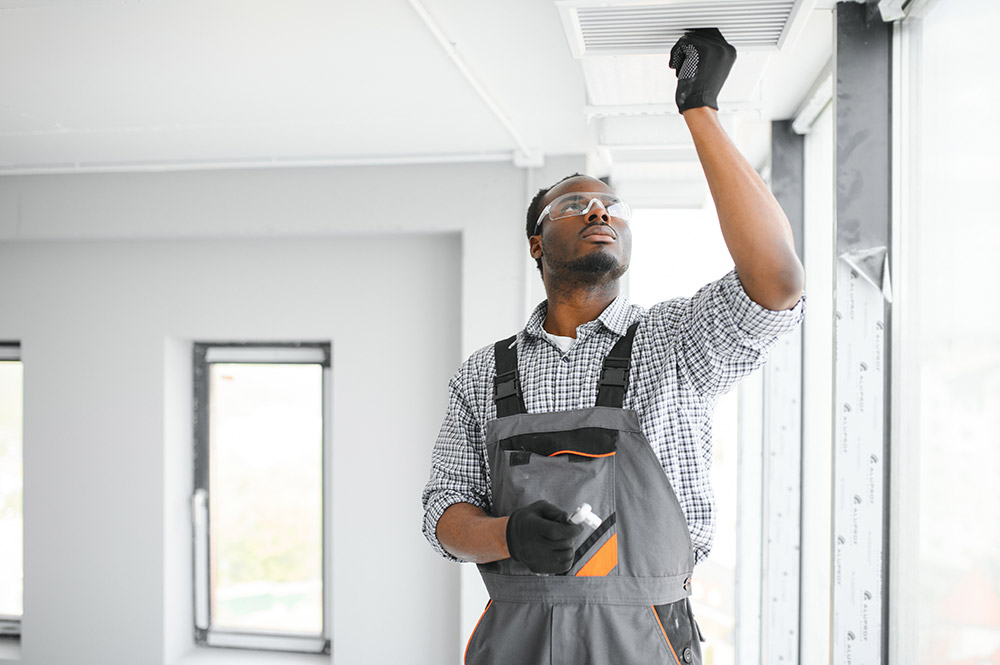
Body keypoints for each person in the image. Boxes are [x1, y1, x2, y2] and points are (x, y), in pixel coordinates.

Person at [421, 28, 804, 665]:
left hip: (643, 638)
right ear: (538, 245)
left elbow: (778, 282)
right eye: (575, 204)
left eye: (613, 207)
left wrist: (699, 109)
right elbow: (444, 518)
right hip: (514, 638)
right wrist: (506, 534)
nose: (601, 213)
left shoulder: (672, 342)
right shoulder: (484, 374)